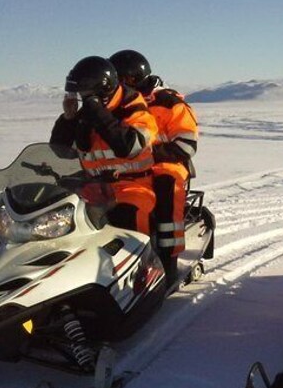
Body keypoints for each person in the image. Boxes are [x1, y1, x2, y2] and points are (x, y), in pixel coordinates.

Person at [110, 49, 199, 286]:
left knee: (166, 186)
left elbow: (186, 144)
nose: (119, 84)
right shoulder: (117, 104)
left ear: (135, 77)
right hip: (129, 167)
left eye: (123, 79)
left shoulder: (168, 102)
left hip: (168, 163)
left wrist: (149, 154)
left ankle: (168, 261)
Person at [50, 56, 158, 234]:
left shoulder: (134, 109)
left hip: (134, 186)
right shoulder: (88, 113)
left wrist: (96, 109)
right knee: (62, 222)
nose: (81, 99)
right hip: (93, 188)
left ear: (100, 91)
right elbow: (60, 150)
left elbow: (128, 146)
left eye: (84, 94)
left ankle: (151, 260)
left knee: (128, 222)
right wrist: (68, 119)